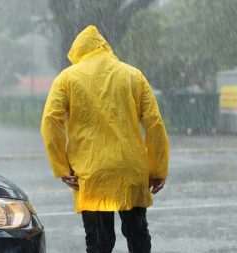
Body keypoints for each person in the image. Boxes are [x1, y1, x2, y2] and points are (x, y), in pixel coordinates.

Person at [41, 25, 169, 253]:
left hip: (92, 174)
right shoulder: (133, 75)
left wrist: (62, 167)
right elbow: (154, 124)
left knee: (100, 242)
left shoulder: (67, 78)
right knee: (138, 236)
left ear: (78, 51)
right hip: (131, 171)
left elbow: (50, 122)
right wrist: (158, 168)